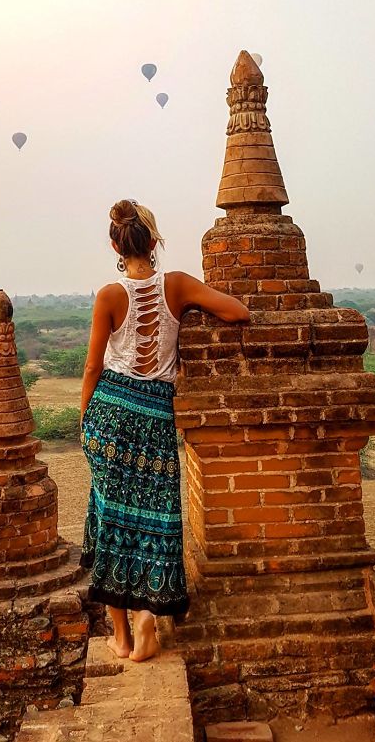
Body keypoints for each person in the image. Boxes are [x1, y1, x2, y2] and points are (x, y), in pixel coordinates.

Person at [79, 199, 250, 662]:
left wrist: (83, 419)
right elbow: (237, 312)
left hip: (110, 415)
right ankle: (148, 623)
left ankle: (121, 637)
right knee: (156, 519)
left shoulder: (109, 296)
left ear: (115, 244)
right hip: (154, 415)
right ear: (154, 243)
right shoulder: (176, 286)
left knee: (110, 517)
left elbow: (94, 365)